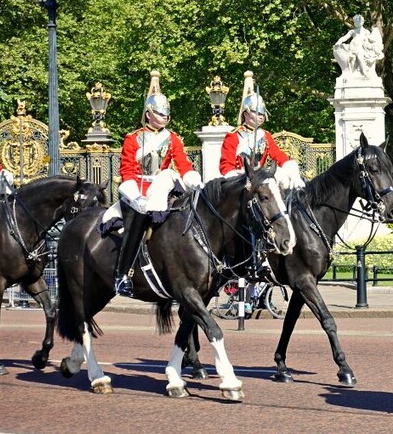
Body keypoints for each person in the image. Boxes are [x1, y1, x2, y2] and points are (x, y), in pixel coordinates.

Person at [114, 70, 203, 297]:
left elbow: (181, 162)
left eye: (166, 113)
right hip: (139, 191)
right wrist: (135, 196)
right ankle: (123, 275)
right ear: (148, 113)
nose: (165, 117)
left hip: (163, 189)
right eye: (160, 113)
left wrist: (191, 176)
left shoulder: (172, 138)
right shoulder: (133, 139)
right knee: (136, 224)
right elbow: (126, 171)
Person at [219, 71, 306, 187]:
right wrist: (236, 177)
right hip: (240, 180)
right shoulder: (234, 136)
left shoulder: (265, 135)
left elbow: (278, 155)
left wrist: (293, 173)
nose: (261, 116)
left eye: (262, 113)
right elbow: (226, 165)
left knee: (283, 180)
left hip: (260, 179)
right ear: (246, 114)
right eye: (257, 112)